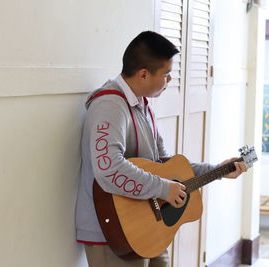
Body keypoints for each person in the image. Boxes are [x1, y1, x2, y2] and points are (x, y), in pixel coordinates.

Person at [75, 31, 247, 267]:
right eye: (166, 75)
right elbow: (109, 169)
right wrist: (164, 188)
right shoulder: (109, 106)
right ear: (143, 74)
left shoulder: (143, 106)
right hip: (114, 231)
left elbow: (164, 165)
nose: (170, 80)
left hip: (149, 225)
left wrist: (216, 170)